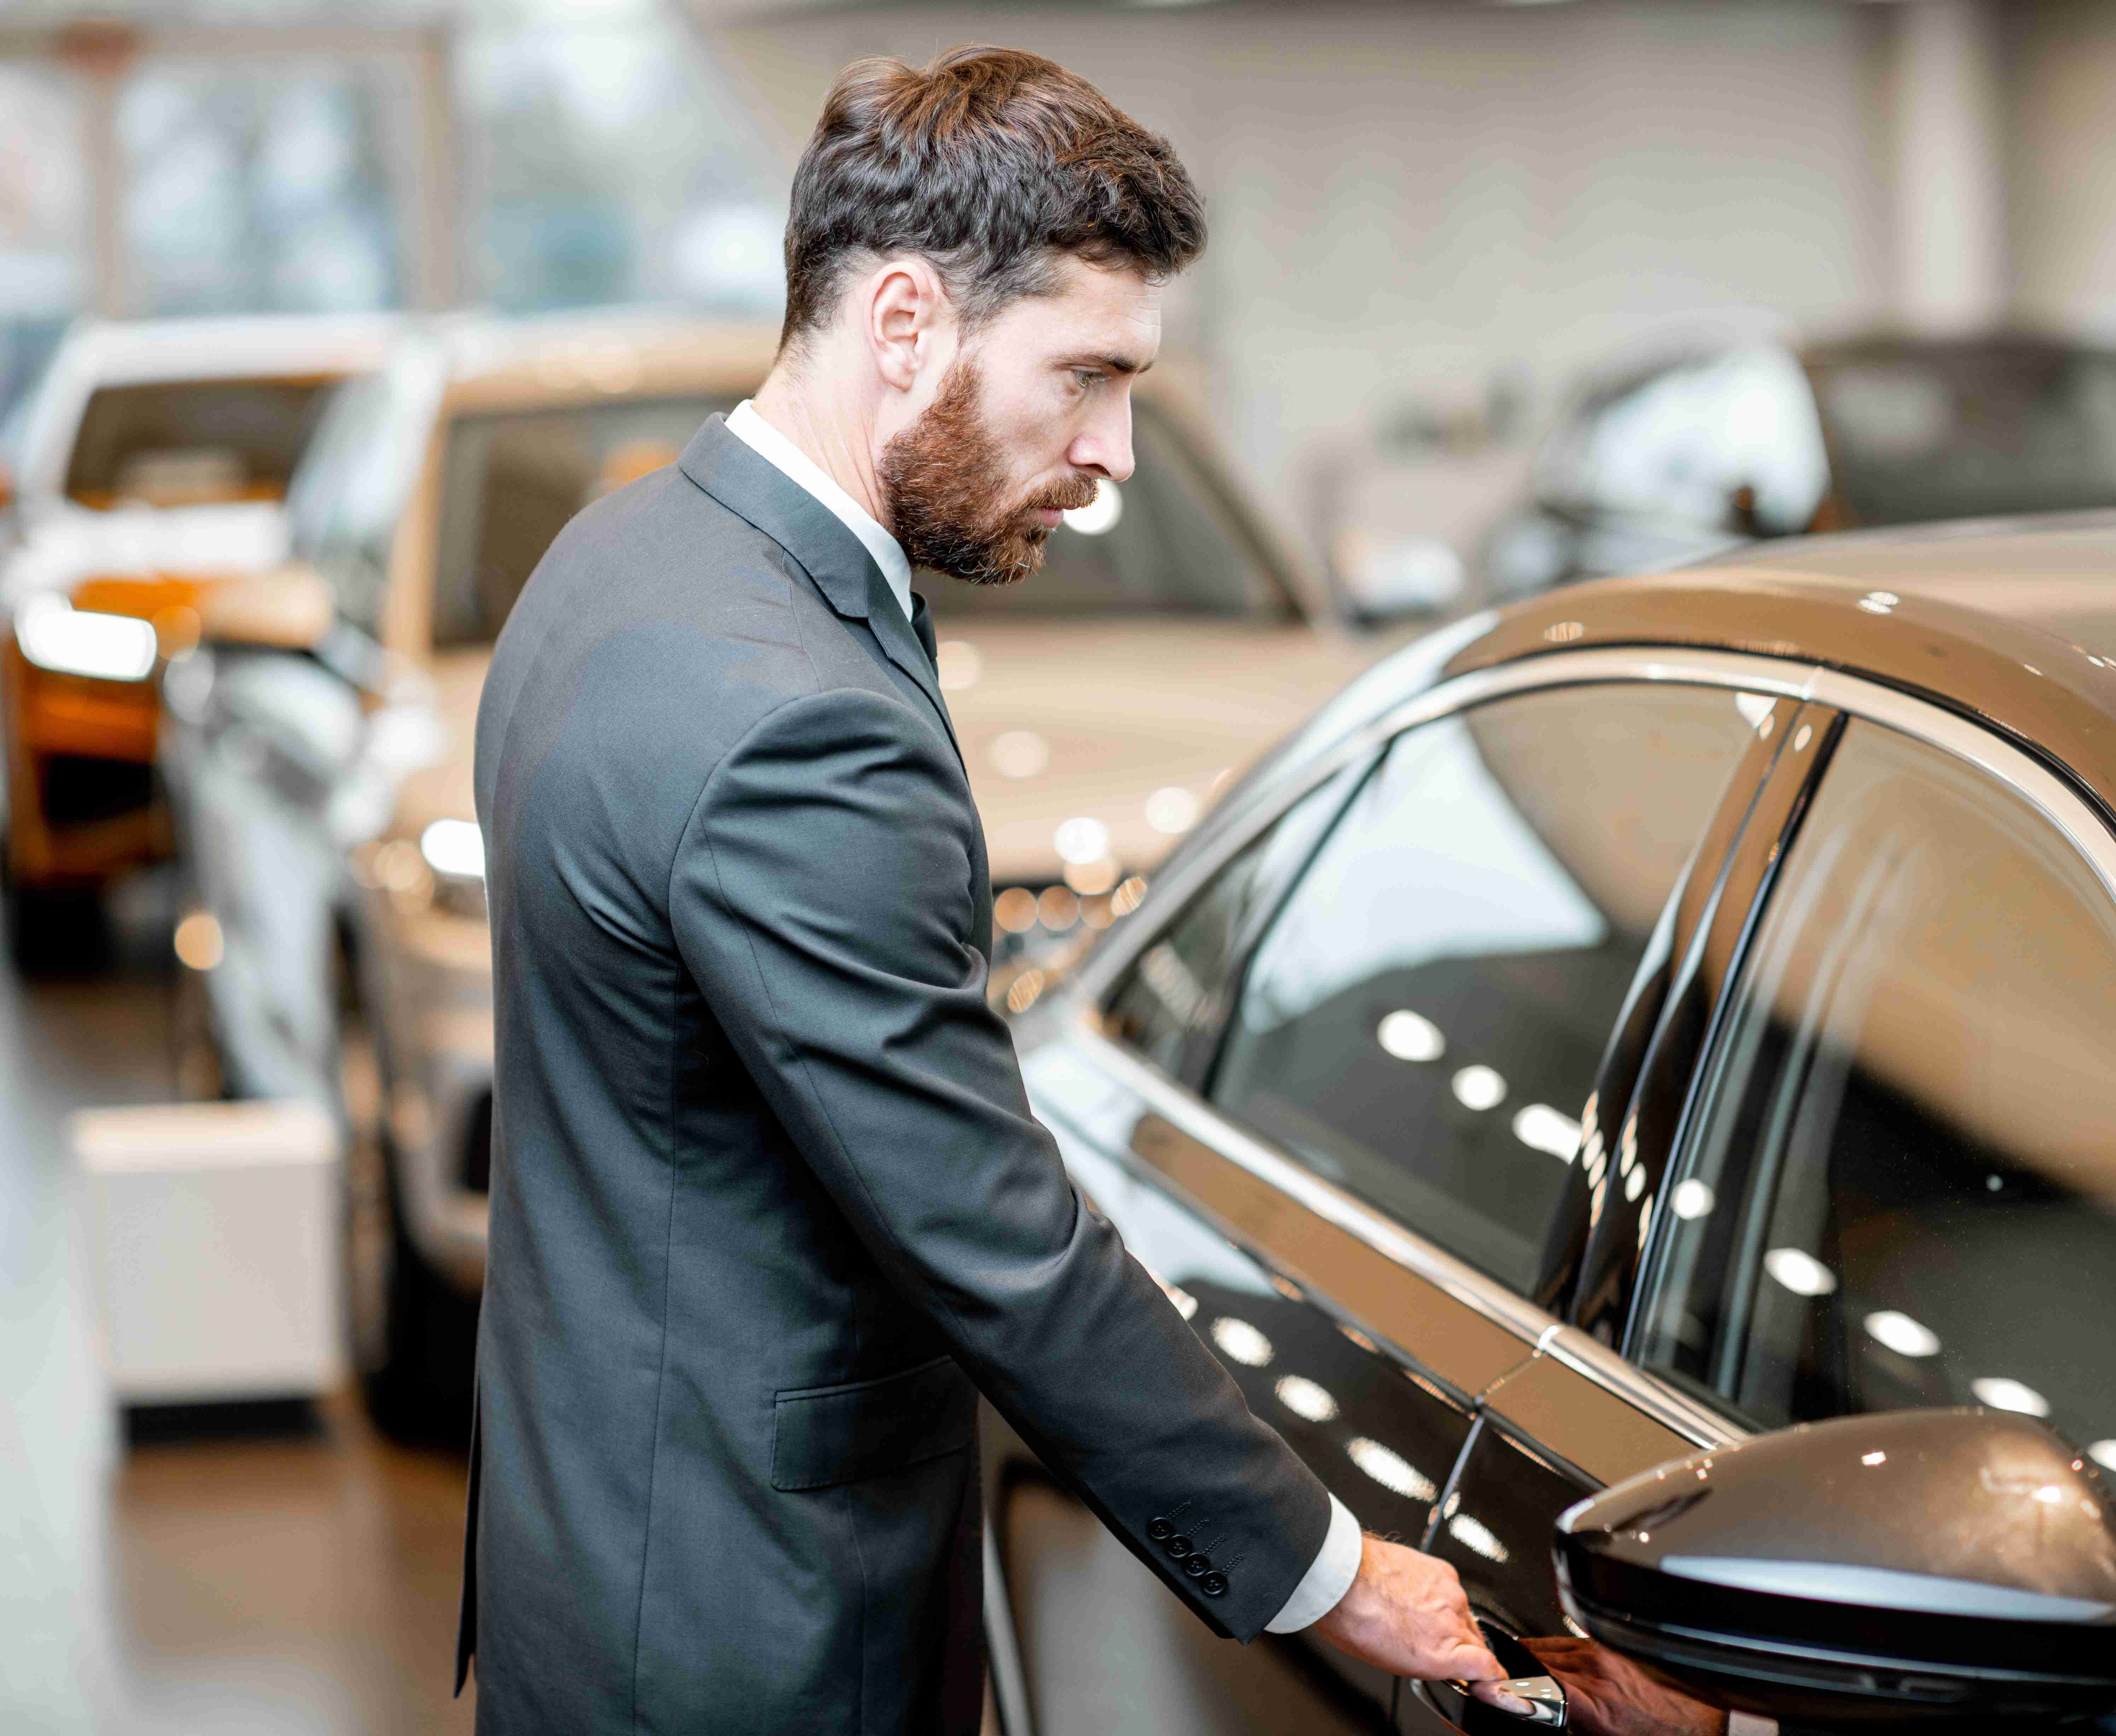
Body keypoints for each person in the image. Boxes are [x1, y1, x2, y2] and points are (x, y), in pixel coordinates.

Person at [460, 44, 1525, 1733]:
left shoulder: (626, 561)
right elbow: (992, 1236)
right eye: (1085, 375)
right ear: (905, 325)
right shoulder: (798, 716)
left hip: (598, 1546)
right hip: (760, 1628)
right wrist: (1335, 1566)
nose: (1112, 450)